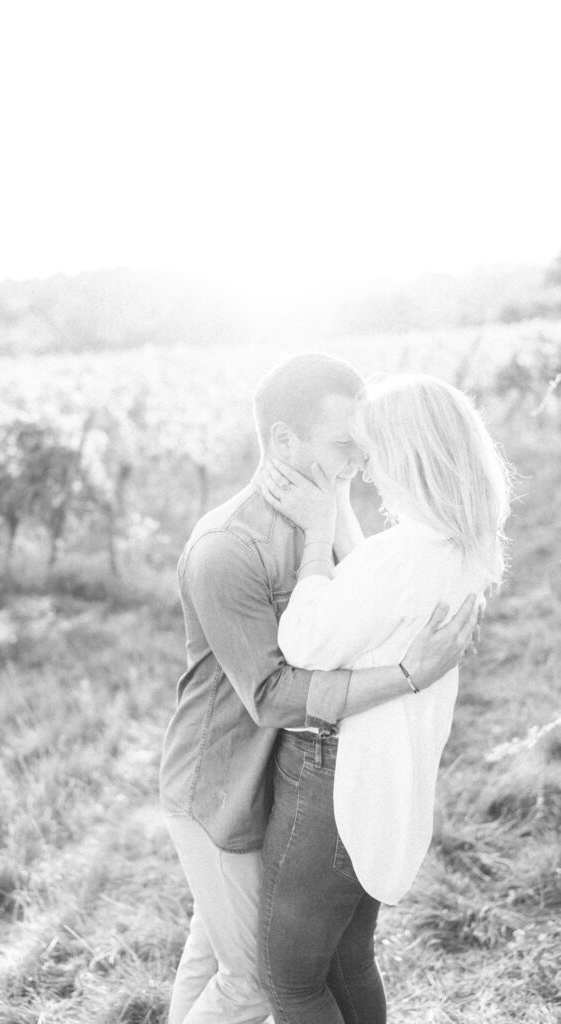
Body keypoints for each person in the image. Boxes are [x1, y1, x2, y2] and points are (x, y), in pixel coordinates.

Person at [159, 354, 480, 1024]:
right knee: (247, 980)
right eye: (345, 448)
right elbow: (275, 694)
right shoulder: (227, 548)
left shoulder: (325, 519)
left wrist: (326, 522)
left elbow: (363, 586)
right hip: (224, 787)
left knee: (216, 958)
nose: (361, 465)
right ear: (282, 442)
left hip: (282, 778)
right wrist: (403, 678)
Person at [257, 373, 511, 1024]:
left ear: (407, 457)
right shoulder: (458, 544)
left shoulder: (402, 557)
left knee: (287, 977)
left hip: (337, 780)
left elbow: (306, 641)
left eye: (373, 455)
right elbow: (375, 605)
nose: (367, 472)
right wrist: (336, 505)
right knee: (346, 959)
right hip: (386, 774)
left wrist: (316, 537)